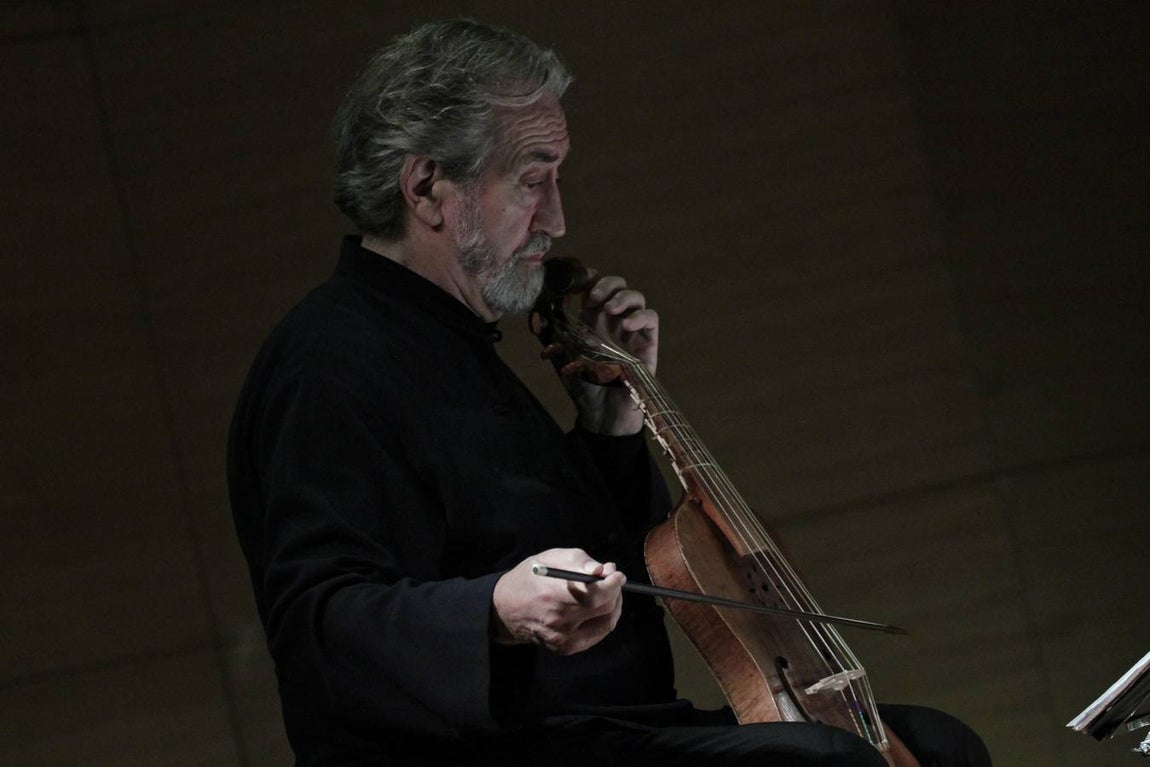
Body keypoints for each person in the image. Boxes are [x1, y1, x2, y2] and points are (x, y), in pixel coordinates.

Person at [227, 18, 992, 767]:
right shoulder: (326, 361)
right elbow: (318, 626)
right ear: (428, 186)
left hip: (608, 727)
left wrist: (611, 430)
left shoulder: (457, 341)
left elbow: (609, 576)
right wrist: (493, 609)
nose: (556, 218)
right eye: (533, 180)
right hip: (492, 748)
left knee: (936, 745)